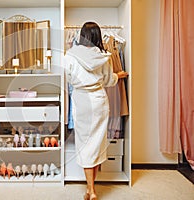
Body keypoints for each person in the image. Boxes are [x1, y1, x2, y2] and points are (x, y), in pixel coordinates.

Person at [64, 22, 128, 200]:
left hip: (81, 101)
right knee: (97, 142)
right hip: (98, 100)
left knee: (85, 143)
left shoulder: (69, 56)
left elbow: (68, 78)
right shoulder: (103, 56)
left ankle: (90, 190)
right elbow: (108, 80)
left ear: (82, 35)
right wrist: (119, 75)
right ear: (98, 36)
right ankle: (91, 190)